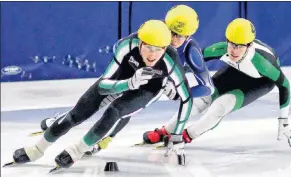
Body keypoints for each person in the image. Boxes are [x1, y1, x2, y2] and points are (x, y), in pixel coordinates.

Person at [4, 20, 193, 170]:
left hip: (148, 89)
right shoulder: (126, 46)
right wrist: (129, 83)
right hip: (123, 78)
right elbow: (103, 86)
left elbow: (187, 99)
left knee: (115, 111)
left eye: (159, 49)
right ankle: (37, 149)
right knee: (76, 114)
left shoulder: (171, 62)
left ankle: (77, 150)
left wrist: (177, 136)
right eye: (149, 48)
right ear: (140, 43)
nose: (153, 54)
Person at [35, 4, 215, 155]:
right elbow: (120, 46)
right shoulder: (155, 31)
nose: (174, 39)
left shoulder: (190, 51)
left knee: (123, 108)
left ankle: (105, 139)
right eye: (172, 32)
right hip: (131, 70)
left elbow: (207, 87)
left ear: (189, 36)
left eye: (180, 36)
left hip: (155, 83)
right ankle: (67, 119)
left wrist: (177, 92)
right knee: (97, 94)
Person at [143, 18, 291, 148]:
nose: (234, 50)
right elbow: (192, 61)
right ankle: (166, 130)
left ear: (249, 46)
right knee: (202, 99)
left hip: (260, 82)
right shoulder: (222, 49)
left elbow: (285, 85)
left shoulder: (264, 63)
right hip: (234, 72)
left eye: (240, 46)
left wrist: (283, 121)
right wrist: (164, 74)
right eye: (231, 44)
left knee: (221, 105)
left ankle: (187, 136)